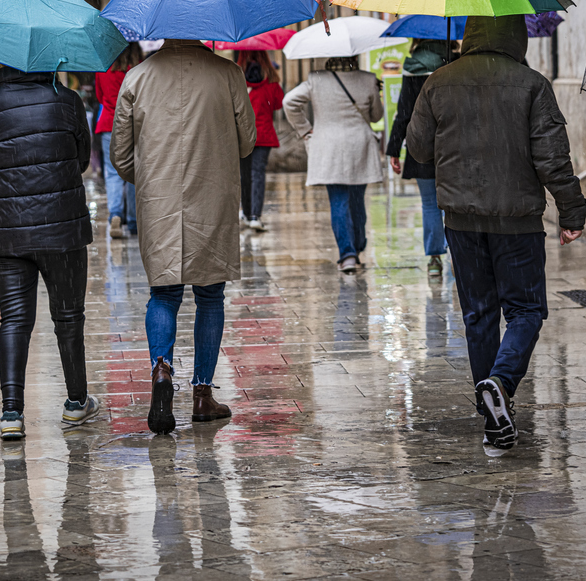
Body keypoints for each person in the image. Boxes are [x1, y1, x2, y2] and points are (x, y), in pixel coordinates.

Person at [406, 15, 586, 457]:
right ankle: (502, 382)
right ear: (516, 36)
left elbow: (419, 149)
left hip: (462, 221)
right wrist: (572, 208)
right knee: (525, 310)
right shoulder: (531, 84)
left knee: (479, 315)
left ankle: (492, 419)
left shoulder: (439, 81)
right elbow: (552, 157)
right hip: (518, 220)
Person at [110, 40, 256, 435]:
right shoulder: (228, 73)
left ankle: (162, 370)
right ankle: (202, 395)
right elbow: (247, 142)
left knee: (164, 294)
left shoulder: (136, 77)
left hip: (158, 200)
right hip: (212, 196)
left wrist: (153, 179)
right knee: (210, 295)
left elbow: (120, 156)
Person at [0, 62, 98, 441]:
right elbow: (82, 159)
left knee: (15, 320)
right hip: (63, 230)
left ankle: (11, 413)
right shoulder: (67, 101)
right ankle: (75, 402)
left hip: (7, 232)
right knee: (68, 318)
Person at [283, 56, 384, 274]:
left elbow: (289, 102)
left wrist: (305, 130)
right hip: (359, 147)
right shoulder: (367, 79)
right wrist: (376, 92)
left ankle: (347, 255)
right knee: (357, 200)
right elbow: (377, 116)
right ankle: (357, 244)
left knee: (338, 201)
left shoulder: (315, 79)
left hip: (329, 149)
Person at [386, 40, 453, 277]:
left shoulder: (412, 67)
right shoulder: (455, 64)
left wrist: (394, 149)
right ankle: (458, 251)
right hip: (454, 144)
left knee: (430, 204)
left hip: (421, 145)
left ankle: (435, 259)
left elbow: (404, 112)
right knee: (455, 202)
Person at [94, 44, 143, 239]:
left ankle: (115, 214)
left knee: (112, 172)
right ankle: (133, 221)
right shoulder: (138, 70)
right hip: (131, 124)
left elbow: (99, 96)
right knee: (132, 172)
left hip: (108, 124)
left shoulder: (104, 68)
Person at [234, 50, 284, 232]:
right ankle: (255, 215)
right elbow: (278, 104)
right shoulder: (271, 80)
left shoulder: (237, 79)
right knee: (258, 174)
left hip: (243, 135)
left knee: (244, 175)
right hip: (264, 134)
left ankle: (246, 212)